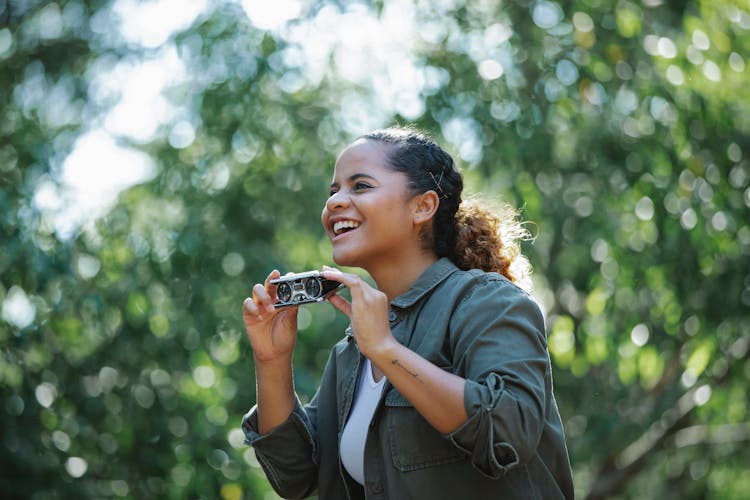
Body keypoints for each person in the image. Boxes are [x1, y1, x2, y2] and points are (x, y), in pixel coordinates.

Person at [241, 126, 574, 499]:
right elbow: (296, 477)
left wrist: (387, 351)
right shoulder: (352, 352)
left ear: (423, 207)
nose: (335, 202)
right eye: (333, 191)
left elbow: (507, 432)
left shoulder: (486, 303)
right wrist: (271, 360)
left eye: (361, 186)